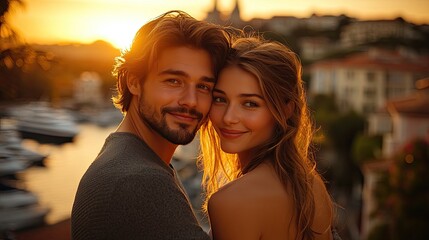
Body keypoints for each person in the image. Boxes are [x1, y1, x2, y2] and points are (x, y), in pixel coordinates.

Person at [71, 10, 231, 240]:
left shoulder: (128, 160)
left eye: (204, 86)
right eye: (174, 81)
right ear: (134, 82)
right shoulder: (140, 180)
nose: (190, 100)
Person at [199, 35, 338, 240]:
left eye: (250, 103)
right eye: (220, 99)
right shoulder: (310, 183)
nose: (228, 118)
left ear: (285, 110)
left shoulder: (231, 201)